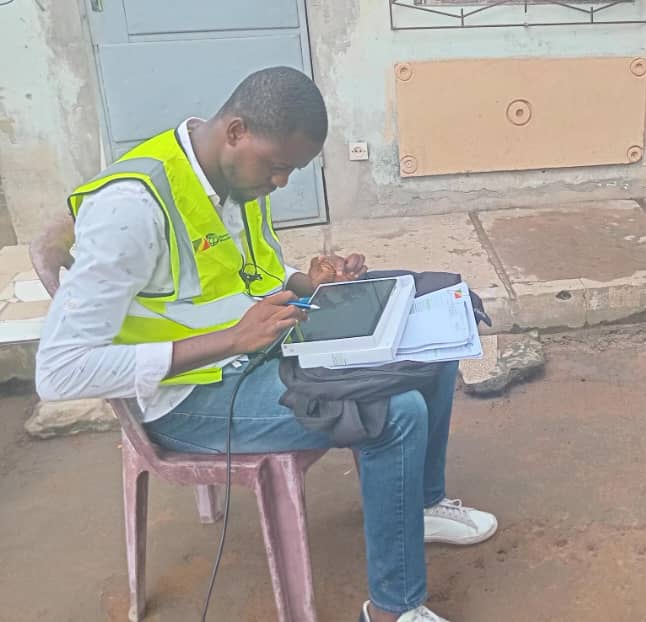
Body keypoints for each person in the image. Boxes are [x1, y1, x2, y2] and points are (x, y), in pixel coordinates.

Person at [34, 66, 496, 622]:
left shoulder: (233, 176)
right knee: (394, 413)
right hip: (190, 398)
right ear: (236, 131)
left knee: (430, 331)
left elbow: (255, 273)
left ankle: (419, 507)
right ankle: (393, 611)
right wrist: (231, 338)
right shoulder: (130, 211)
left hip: (265, 344)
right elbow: (59, 372)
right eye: (278, 167)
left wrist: (310, 284)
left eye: (291, 171)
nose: (281, 182)